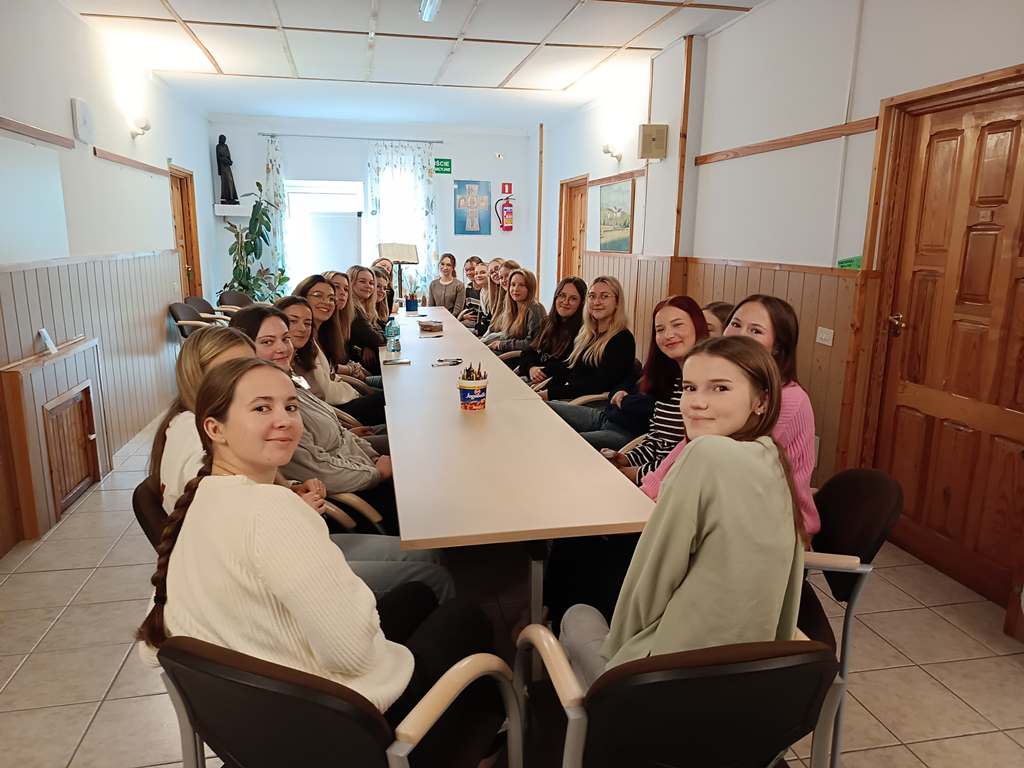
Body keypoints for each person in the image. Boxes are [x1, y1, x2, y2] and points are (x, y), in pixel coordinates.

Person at [136, 358, 502, 766]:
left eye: (290, 406)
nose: (284, 420)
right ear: (214, 429)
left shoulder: (200, 500)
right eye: (261, 408)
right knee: (465, 616)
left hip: (260, 727)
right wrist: (351, 598)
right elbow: (351, 655)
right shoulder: (274, 513)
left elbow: (153, 648)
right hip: (344, 733)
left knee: (417, 594)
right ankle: (471, 741)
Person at [557, 336, 807, 687]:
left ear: (761, 401)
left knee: (576, 613)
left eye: (720, 388)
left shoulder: (705, 455)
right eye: (689, 388)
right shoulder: (774, 458)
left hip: (661, 679)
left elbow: (653, 577)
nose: (697, 403)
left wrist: (620, 656)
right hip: (748, 680)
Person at [151, 327, 453, 601]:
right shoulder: (199, 444)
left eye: (248, 366)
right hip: (270, 573)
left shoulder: (197, 421)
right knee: (431, 575)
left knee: (429, 556)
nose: (244, 379)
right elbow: (235, 537)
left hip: (287, 543)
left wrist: (293, 490)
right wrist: (295, 509)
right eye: (231, 370)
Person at [641, 294, 819, 535]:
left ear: (777, 347)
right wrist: (647, 489)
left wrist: (657, 497)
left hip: (776, 530)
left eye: (755, 330)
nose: (739, 335)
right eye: (735, 324)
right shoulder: (732, 383)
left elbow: (719, 463)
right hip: (723, 514)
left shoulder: (787, 398)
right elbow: (689, 445)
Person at [229, 305, 400, 533]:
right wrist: (376, 473)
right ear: (243, 348)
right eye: (267, 342)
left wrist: (372, 457)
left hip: (361, 472)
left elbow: (339, 432)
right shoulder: (265, 409)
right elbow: (318, 469)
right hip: (350, 498)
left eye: (285, 338)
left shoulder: (286, 381)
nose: (282, 348)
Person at [549, 295, 708, 455]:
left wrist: (625, 401)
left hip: (625, 431)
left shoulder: (701, 383)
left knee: (560, 443)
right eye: (660, 329)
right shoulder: (663, 369)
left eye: (677, 325)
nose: (668, 335)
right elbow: (627, 382)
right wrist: (625, 460)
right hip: (608, 415)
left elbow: (645, 408)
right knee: (545, 410)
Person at [276, 292, 386, 427]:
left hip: (336, 412)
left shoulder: (310, 345)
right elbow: (322, 393)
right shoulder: (281, 363)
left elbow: (330, 376)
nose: (302, 328)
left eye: (307, 323)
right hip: (334, 415)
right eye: (293, 321)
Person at [536, 276, 635, 401]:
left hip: (591, 402)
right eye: (592, 296)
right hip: (571, 396)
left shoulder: (622, 339)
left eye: (604, 296)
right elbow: (569, 368)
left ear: (617, 302)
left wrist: (550, 394)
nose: (596, 302)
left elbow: (596, 385)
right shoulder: (587, 333)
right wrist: (543, 386)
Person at [519, 276, 586, 382]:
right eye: (562, 295)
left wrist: (540, 372)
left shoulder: (583, 332)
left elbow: (566, 369)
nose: (565, 301)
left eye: (573, 298)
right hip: (531, 378)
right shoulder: (547, 322)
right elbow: (528, 352)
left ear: (581, 303)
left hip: (548, 386)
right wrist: (531, 368)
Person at [484, 269, 545, 354]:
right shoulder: (512, 306)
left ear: (530, 288)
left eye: (521, 285)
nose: (516, 289)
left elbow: (532, 343)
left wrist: (501, 345)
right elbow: (507, 336)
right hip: (507, 351)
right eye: (513, 285)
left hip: (521, 357)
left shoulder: (535, 308)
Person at [348, 265, 387, 374]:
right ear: (350, 283)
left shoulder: (365, 307)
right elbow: (379, 340)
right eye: (362, 281)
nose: (368, 286)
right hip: (357, 369)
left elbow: (384, 328)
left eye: (371, 283)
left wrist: (367, 344)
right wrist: (370, 343)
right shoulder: (353, 310)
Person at [459, 262, 490, 331]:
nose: (478, 275)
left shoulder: (491, 292)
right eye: (476, 273)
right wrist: (463, 316)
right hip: (478, 324)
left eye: (483, 272)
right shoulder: (482, 291)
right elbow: (467, 308)